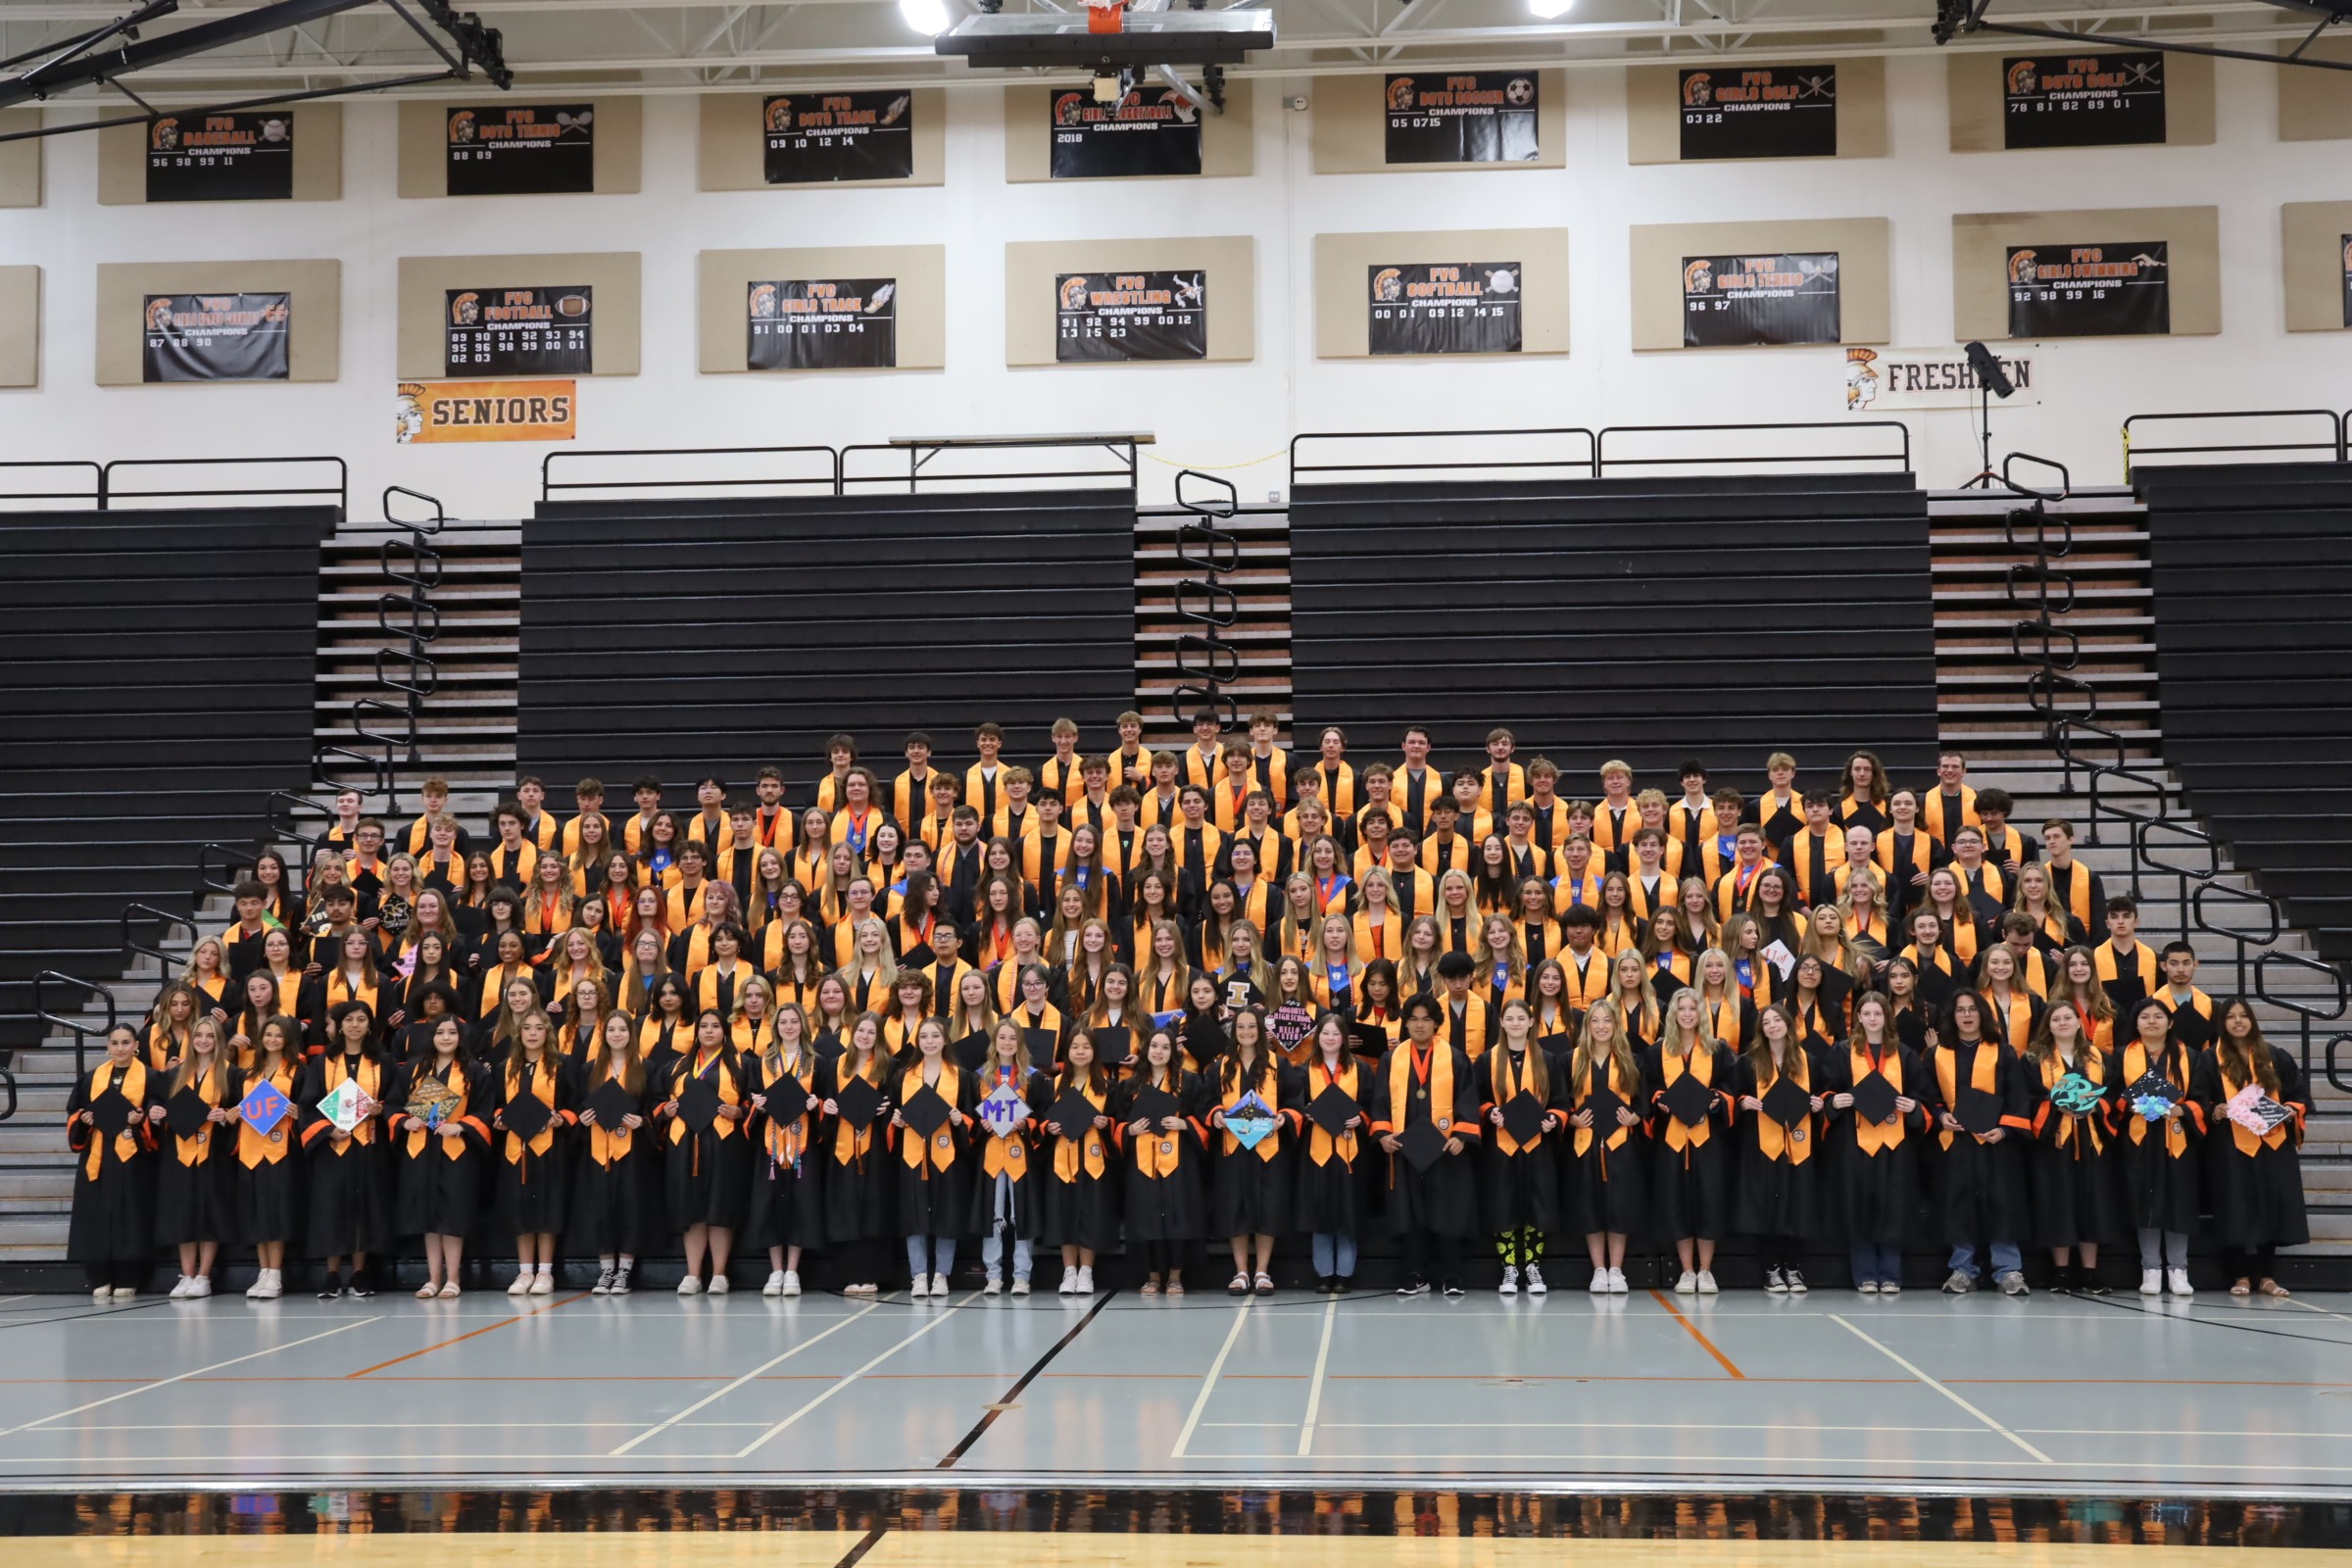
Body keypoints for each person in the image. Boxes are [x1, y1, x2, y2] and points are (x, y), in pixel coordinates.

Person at [2192, 999, 2309, 1298]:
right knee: (2234, 1207)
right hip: (2230, 1146)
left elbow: (2299, 1095)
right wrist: (2212, 1110)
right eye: (2231, 1017)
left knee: (2271, 1206)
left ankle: (2267, 1276)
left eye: (2244, 1015)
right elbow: (2197, 1099)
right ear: (2223, 1023)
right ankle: (2240, 1275)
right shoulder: (2209, 1059)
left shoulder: (2274, 1056)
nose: (2238, 1021)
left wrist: (2288, 1109)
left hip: (2272, 1144)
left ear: (2253, 1020)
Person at [1923, 991, 2032, 1298]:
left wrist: (2004, 1131)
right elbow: (1928, 1096)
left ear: (1983, 1014)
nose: (1967, 1015)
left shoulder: (2004, 1052)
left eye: (1972, 1009)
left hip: (1995, 1143)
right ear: (1952, 1016)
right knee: (1958, 1206)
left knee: (2002, 1205)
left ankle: (2008, 1270)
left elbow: (2018, 1099)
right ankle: (1962, 1269)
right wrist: (1942, 1115)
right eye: (1960, 1010)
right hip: (1956, 1143)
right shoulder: (1937, 1054)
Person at [1375, 993, 1482, 1297]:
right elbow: (1380, 1102)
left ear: (1436, 1023)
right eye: (1413, 1019)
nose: (1419, 1025)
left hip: (1445, 1151)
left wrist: (1462, 1136)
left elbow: (1467, 1100)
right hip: (1405, 1150)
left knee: (1447, 1212)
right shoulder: (1391, 1059)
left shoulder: (1455, 1058)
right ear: (1405, 1023)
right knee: (1411, 1214)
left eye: (1426, 1019)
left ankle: (1452, 1275)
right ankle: (1416, 1274)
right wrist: (1383, 1135)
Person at [1826, 992, 1923, 1295]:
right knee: (1860, 1206)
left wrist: (1915, 1107)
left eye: (1877, 1014)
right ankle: (1866, 1273)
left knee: (1893, 1207)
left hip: (1894, 1145)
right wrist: (1835, 1100)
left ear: (1886, 1017)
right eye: (1866, 1013)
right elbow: (1826, 1090)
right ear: (1857, 1018)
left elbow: (1924, 1096)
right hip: (1855, 1142)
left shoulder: (1904, 1054)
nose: (1872, 1019)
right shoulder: (1843, 1052)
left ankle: (1891, 1273)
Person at [2021, 1002, 2119, 1295]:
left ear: (2079, 1022)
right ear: (2047, 1025)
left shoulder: (2098, 1057)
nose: (2062, 1023)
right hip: (2054, 1140)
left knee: (2093, 1203)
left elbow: (2113, 1093)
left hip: (2092, 1138)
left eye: (2068, 1018)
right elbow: (2027, 1097)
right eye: (2056, 1019)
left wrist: (2094, 1108)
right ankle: (2061, 1272)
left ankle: (2090, 1272)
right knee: (2057, 1202)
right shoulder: (2034, 1058)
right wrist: (2058, 1108)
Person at [392, 1013, 491, 1298]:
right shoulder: (414, 1069)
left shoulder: (474, 1071)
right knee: (428, 1215)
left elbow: (484, 1109)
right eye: (440, 1033)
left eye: (452, 1033)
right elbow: (395, 1105)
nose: (446, 1038)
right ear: (431, 1038)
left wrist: (460, 1125)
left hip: (457, 1151)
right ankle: (433, 1278)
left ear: (461, 1037)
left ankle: (454, 1278)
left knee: (452, 1214)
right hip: (422, 1149)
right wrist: (403, 1121)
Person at [1645, 988, 1737, 1295]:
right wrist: (1659, 1099)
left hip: (1707, 1139)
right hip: (1671, 1139)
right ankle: (1687, 1271)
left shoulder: (1717, 1049)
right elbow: (1651, 1087)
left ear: (1701, 1014)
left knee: (1707, 1202)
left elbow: (1729, 1086)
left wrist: (1716, 1100)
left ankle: (1706, 1271)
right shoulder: (1658, 1050)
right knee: (1677, 1203)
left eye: (1692, 1009)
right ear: (1673, 1013)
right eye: (1681, 1009)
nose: (1687, 1014)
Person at [301, 1000, 391, 1299]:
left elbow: (397, 1100)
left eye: (361, 1019)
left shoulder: (383, 1061)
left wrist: (382, 1109)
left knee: (364, 1208)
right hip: (333, 1146)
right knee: (332, 1207)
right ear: (339, 1025)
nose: (355, 1025)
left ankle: (359, 1273)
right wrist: (328, 1130)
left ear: (369, 1025)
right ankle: (332, 1273)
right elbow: (308, 1105)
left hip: (369, 1145)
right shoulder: (322, 1062)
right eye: (349, 1019)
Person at [1732, 1003, 1825, 1293]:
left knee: (1797, 1207)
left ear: (1788, 1023)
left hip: (1800, 1147)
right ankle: (1771, 1269)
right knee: (1769, 1208)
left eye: (1777, 1020)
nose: (1772, 1026)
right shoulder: (1749, 1062)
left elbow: (1823, 1093)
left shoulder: (1808, 1060)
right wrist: (1743, 1102)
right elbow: (1735, 1095)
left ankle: (1793, 1268)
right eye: (1766, 1022)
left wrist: (1820, 1103)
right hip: (1763, 1147)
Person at [658, 1007, 751, 1295]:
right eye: (704, 1026)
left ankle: (720, 1274)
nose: (709, 1031)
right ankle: (693, 1274)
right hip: (684, 1144)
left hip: (724, 1144)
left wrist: (740, 1112)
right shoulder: (677, 1067)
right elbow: (659, 1101)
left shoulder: (742, 1064)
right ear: (696, 1032)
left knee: (719, 1206)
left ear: (725, 1031)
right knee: (692, 1207)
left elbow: (753, 1101)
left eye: (715, 1026)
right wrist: (667, 1110)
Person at [2114, 994, 2197, 1298]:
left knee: (2178, 1202)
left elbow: (2201, 1096)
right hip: (2137, 1139)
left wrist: (2182, 1110)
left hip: (2177, 1139)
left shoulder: (2188, 1056)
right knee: (2143, 1200)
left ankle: (2178, 1269)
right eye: (2145, 1017)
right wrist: (2126, 1106)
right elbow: (2112, 1095)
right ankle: (2150, 1268)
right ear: (2135, 1023)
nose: (2152, 1021)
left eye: (2158, 1016)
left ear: (2170, 1022)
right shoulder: (2122, 1055)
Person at [1562, 999, 1647, 1294]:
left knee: (1618, 1205)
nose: (1601, 1026)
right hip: (1585, 1143)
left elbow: (1642, 1101)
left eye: (1607, 1020)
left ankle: (1616, 1269)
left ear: (1616, 1025)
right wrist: (1571, 1120)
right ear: (1587, 1026)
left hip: (1620, 1142)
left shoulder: (1630, 1060)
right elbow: (1561, 1102)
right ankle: (1599, 1269)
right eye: (1595, 1021)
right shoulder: (1571, 1059)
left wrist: (1635, 1116)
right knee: (1590, 1205)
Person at [1118, 1025, 1210, 1295]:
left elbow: (1205, 1119)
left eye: (1165, 1047)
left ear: (1173, 1052)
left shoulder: (1189, 1082)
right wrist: (1129, 1130)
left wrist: (1185, 1124)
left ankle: (1175, 1276)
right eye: (1154, 1046)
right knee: (1145, 1218)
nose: (1159, 1052)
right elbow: (1118, 1123)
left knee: (1178, 1216)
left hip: (1179, 1161)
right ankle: (1153, 1276)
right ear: (1146, 1050)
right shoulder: (1131, 1085)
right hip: (1143, 1161)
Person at [1480, 998, 1563, 1296]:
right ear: (1501, 1023)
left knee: (1535, 1205)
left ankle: (1532, 1265)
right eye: (1509, 1018)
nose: (1515, 1023)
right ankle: (1509, 1267)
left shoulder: (1548, 1059)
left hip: (1537, 1144)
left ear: (1531, 1023)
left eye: (1521, 1018)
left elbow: (1560, 1101)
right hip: (1501, 1145)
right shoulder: (1487, 1060)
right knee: (1504, 1204)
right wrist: (1490, 1111)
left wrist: (1553, 1118)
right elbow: (1477, 1098)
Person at [69, 1024, 157, 1300]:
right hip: (98, 1155)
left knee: (130, 1214)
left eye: (126, 1042)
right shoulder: (90, 1079)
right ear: (107, 1046)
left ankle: (129, 1277)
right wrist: (83, 1121)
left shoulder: (152, 1078)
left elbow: (158, 1115)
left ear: (137, 1046)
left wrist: (141, 1120)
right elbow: (74, 1113)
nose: (120, 1048)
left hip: (133, 1157)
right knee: (96, 1213)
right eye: (115, 1043)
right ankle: (99, 1276)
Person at [1209, 1008, 1293, 1294]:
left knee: (1267, 1207)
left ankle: (1262, 1271)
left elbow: (1294, 1099)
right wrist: (1217, 1114)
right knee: (1236, 1208)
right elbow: (1207, 1101)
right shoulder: (1221, 1066)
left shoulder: (1278, 1065)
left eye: (1251, 1027)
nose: (1246, 1032)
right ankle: (1241, 1271)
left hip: (1268, 1148)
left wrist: (1284, 1117)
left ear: (1260, 1031)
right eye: (1240, 1027)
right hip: (1233, 1148)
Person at [893, 1017, 976, 1298]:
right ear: (918, 1042)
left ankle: (941, 1275)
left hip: (948, 1155)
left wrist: (959, 1119)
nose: (929, 1041)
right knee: (913, 1215)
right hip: (912, 1155)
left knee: (947, 1214)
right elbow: (892, 1115)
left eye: (935, 1036)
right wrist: (896, 1122)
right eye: (924, 1036)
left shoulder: (962, 1077)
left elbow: (971, 1117)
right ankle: (918, 1275)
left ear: (944, 1040)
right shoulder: (903, 1076)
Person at [152, 1015, 234, 1298]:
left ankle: (204, 1276)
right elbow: (155, 1100)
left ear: (218, 1040)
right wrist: (154, 1112)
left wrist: (226, 1116)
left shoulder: (230, 1073)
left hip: (214, 1154)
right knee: (183, 1212)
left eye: (209, 1036)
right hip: (179, 1154)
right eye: (198, 1035)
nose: (203, 1041)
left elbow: (239, 1110)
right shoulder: (175, 1074)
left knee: (209, 1212)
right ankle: (186, 1275)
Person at [744, 1004, 823, 1298]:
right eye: (783, 1022)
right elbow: (749, 1100)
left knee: (801, 1205)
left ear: (803, 1025)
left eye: (794, 1021)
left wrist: (818, 1106)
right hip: (770, 1147)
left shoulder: (816, 1062)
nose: (789, 1027)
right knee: (769, 1206)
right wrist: (758, 1106)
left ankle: (793, 1271)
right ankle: (775, 1270)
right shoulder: (762, 1063)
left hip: (804, 1147)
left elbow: (826, 1101)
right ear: (775, 1026)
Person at [495, 1008, 576, 1296]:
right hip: (516, 1149)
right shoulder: (507, 1066)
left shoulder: (561, 1065)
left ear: (547, 1032)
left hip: (549, 1147)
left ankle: (545, 1272)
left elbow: (573, 1103)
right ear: (519, 1033)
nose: (532, 1033)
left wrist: (562, 1118)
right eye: (526, 1027)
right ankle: (524, 1271)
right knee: (521, 1210)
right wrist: (499, 1118)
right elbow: (497, 1102)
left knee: (547, 1209)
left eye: (538, 1027)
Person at [1294, 1011, 1373, 1294]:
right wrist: (1308, 1114)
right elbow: (1296, 1106)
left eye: (1336, 1034)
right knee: (1321, 1213)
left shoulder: (1360, 1070)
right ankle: (1325, 1273)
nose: (1330, 1038)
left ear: (1344, 1039)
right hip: (1316, 1152)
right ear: (1316, 1038)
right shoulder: (1304, 1071)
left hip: (1350, 1152)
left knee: (1347, 1213)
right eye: (1325, 1033)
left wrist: (1360, 1118)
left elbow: (1371, 1105)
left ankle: (1345, 1273)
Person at [817, 1012, 894, 1296]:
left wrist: (887, 1112)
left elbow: (894, 1106)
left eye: (871, 1032)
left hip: (875, 1151)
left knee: (872, 1208)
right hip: (842, 1149)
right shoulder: (834, 1066)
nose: (864, 1036)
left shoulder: (888, 1067)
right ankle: (849, 1274)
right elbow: (825, 1103)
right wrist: (827, 1109)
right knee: (845, 1208)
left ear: (878, 1037)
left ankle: (871, 1274)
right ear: (853, 1033)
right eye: (861, 1030)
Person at [1040, 1028, 1120, 1295]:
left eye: (1086, 1047)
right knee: (1065, 1213)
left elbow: (1118, 1122)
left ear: (1094, 1052)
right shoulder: (1054, 1084)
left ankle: (1086, 1272)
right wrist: (1047, 1129)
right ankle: (1069, 1271)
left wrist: (1105, 1123)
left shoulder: (1107, 1086)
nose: (1081, 1051)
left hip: (1095, 1161)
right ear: (1068, 1051)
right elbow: (1042, 1120)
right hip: (1062, 1159)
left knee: (1090, 1214)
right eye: (1075, 1047)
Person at [970, 1018, 1044, 1297]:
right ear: (995, 1041)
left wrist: (1026, 1125)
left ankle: (1022, 1276)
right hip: (990, 1153)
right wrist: (983, 1125)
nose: (1007, 1042)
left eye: (1013, 1038)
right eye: (1002, 1037)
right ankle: (993, 1275)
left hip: (1020, 1152)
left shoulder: (1031, 1076)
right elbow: (971, 1113)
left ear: (1019, 1042)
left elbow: (1041, 1115)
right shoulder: (980, 1076)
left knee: (1021, 1213)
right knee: (993, 1213)